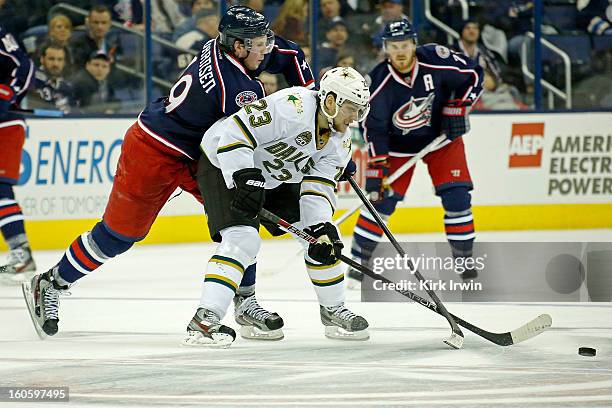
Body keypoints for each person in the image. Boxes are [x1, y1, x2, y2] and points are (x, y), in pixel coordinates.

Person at [21, 6, 314, 339]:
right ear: (238, 47)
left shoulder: (226, 47)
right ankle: (51, 282)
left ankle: (244, 302)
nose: (266, 49)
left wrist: (316, 100)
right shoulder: (235, 87)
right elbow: (247, 139)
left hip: (197, 152)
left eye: (265, 40)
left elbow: (290, 55)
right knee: (119, 236)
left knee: (239, 220)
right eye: (259, 43)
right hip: (154, 149)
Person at [185, 67, 370, 347]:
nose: (355, 117)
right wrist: (244, 179)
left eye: (360, 110)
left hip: (274, 176)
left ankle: (333, 311)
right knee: (243, 238)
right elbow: (236, 132)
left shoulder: (340, 140)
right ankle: (204, 320)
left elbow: (317, 188)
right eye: (351, 109)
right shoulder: (291, 106)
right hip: (225, 161)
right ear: (330, 101)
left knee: (321, 238)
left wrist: (321, 227)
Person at [346, 19, 484, 287]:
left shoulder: (436, 59)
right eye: (394, 46)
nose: (400, 51)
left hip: (441, 139)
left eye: (405, 45)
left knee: (457, 197)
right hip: (398, 148)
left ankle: (464, 260)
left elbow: (475, 75)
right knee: (380, 201)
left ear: (414, 44)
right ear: (385, 48)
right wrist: (377, 167)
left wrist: (458, 107)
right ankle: (358, 261)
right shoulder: (378, 82)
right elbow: (373, 129)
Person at [0, 25, 36, 283]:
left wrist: (7, 94)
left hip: (5, 124)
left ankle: (21, 254)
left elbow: (25, 67)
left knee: (0, 189)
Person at [30, 42, 74, 113]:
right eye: (51, 59)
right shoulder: (31, 80)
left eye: (60, 60)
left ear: (64, 62)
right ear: (42, 59)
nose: (55, 64)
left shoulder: (66, 87)